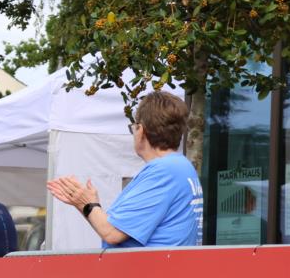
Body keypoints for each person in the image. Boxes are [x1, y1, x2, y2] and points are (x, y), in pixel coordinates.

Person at [48, 91, 203, 248]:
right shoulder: (181, 167)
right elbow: (120, 228)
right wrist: (89, 204)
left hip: (147, 271)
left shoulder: (163, 172)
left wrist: (87, 204)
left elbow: (112, 233)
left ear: (140, 130)